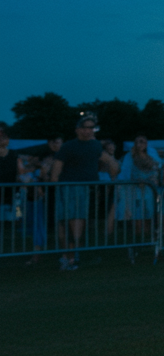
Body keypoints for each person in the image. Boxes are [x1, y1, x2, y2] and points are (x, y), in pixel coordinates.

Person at [50, 115, 120, 270]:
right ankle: (67, 257)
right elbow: (56, 168)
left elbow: (110, 161)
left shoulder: (95, 146)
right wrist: (55, 187)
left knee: (78, 223)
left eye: (91, 128)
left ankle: (71, 257)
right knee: (67, 224)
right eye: (86, 127)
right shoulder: (68, 146)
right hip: (68, 189)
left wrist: (114, 175)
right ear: (78, 130)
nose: (89, 130)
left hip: (86, 190)